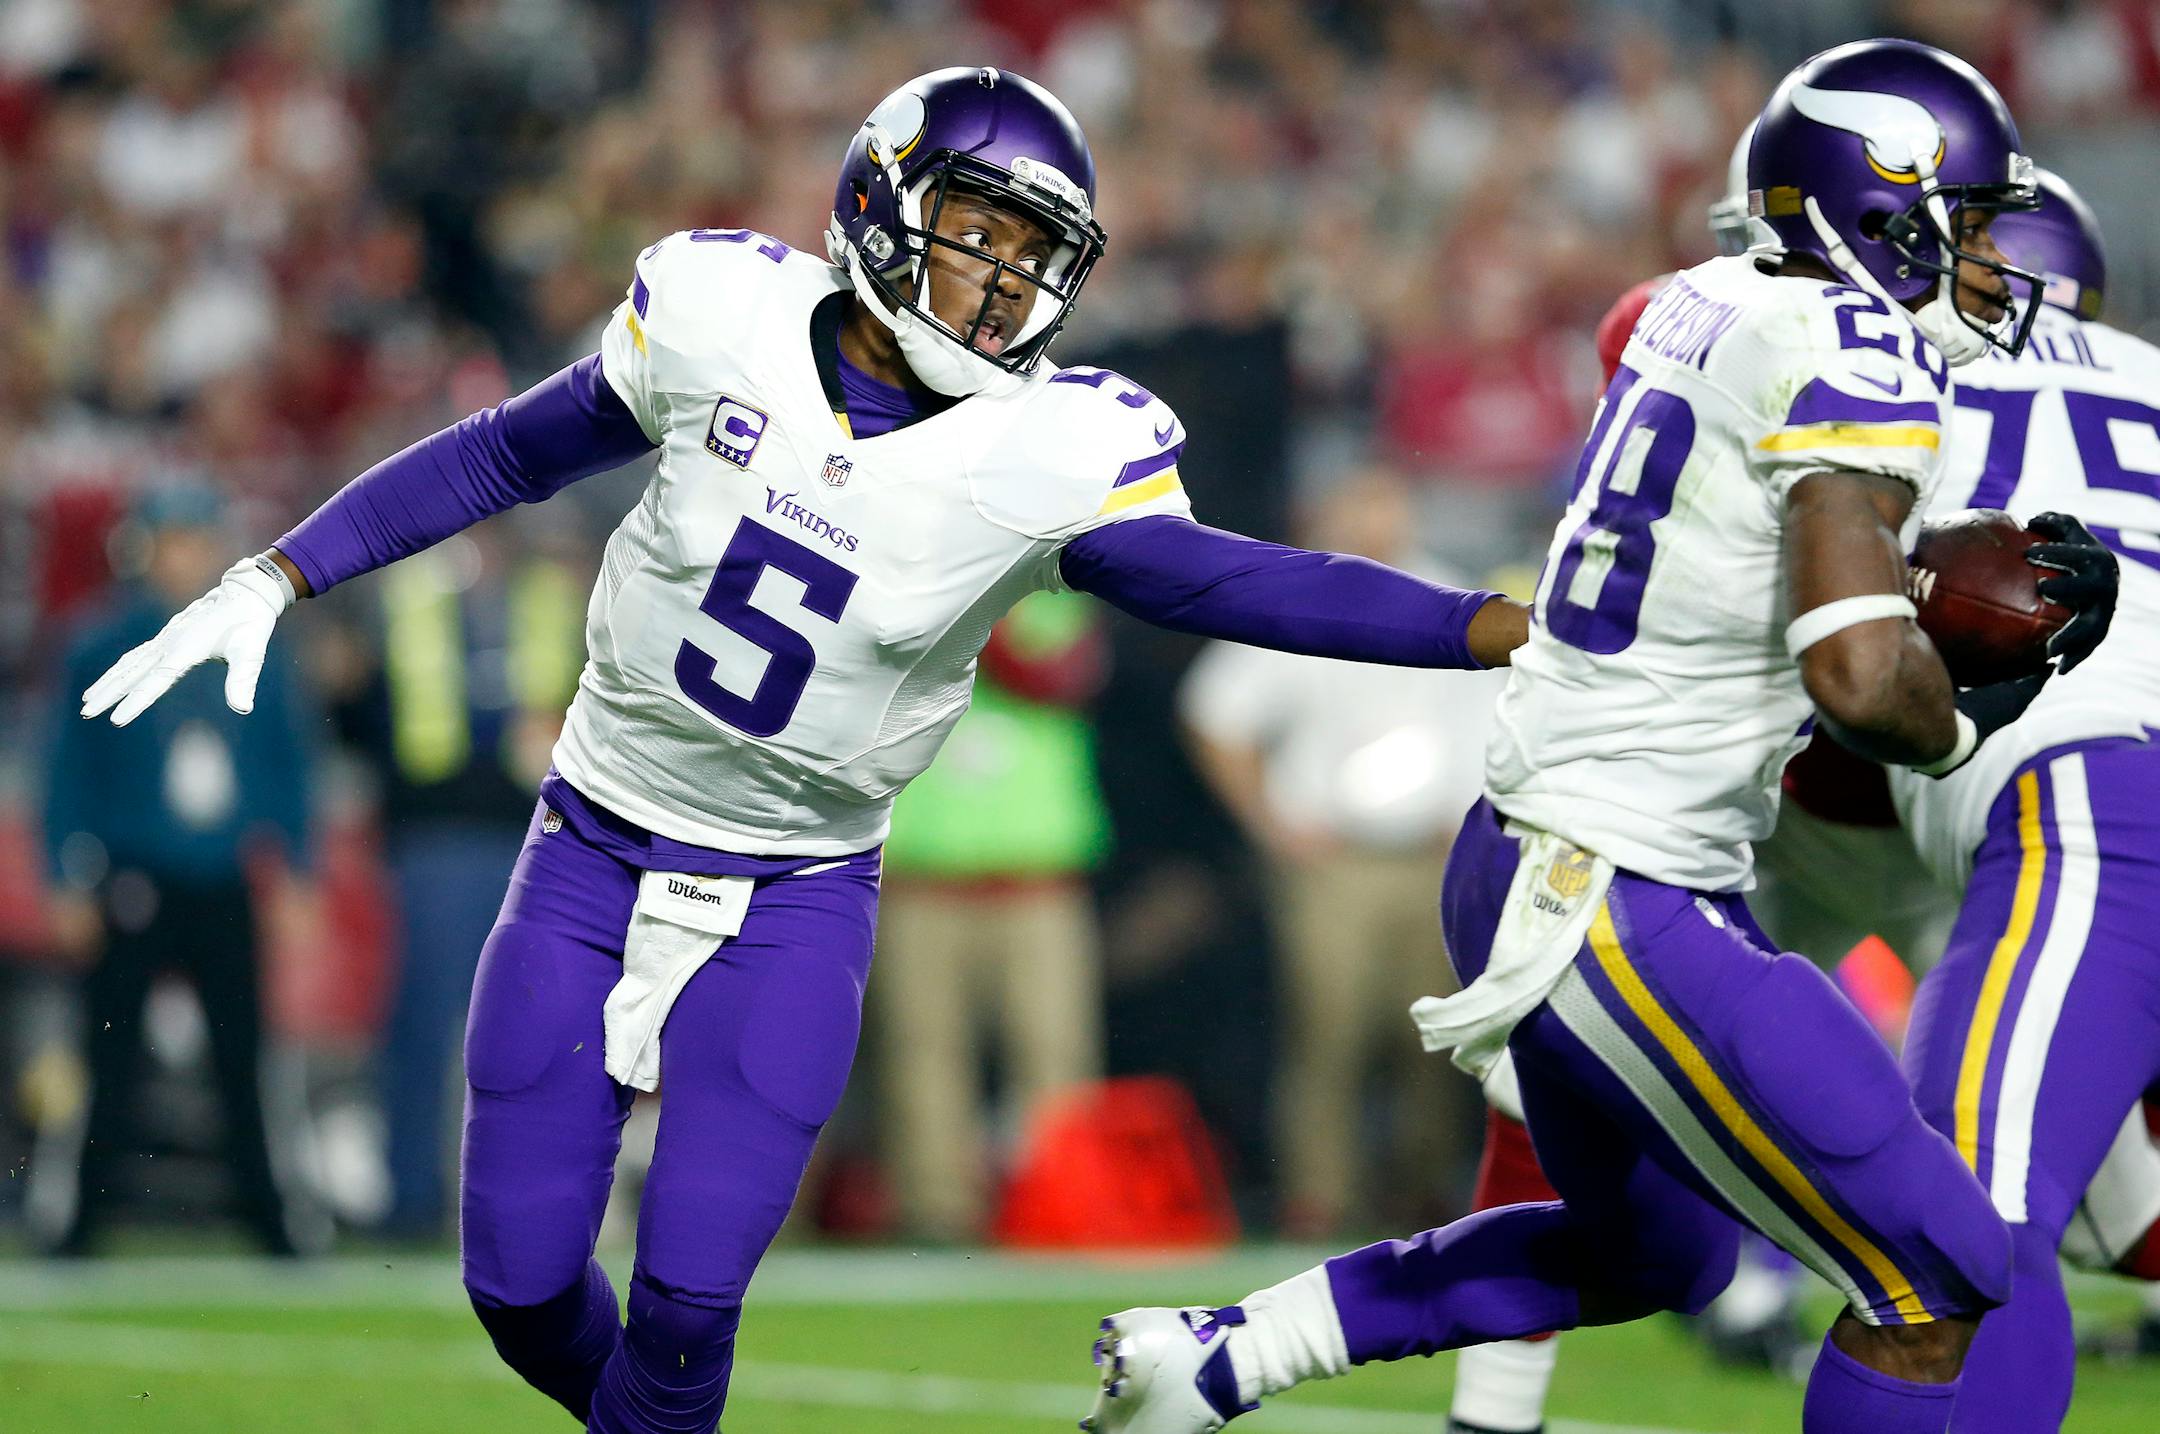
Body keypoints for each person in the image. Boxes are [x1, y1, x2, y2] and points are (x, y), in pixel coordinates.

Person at [77, 67, 1529, 1434]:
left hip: (794, 891)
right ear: (881, 207)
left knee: (689, 1302)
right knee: (519, 1289)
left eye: (1039, 254)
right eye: (979, 234)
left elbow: (1243, 582)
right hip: (592, 842)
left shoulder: (1049, 450)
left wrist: (1481, 625)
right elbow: (502, 454)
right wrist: (282, 573)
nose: (1010, 280)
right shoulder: (724, 314)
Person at [1081, 40, 2117, 1434]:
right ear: (1878, 208)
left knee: (1657, 1253)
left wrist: (1922, 567)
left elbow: (1760, 545)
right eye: (1967, 219)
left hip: (1532, 847)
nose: (1986, 259)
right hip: (1619, 889)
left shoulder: (1696, 301)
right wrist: (1970, 703)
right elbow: (1862, 675)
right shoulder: (1855, 351)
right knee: (1941, 1272)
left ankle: (1223, 1357)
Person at [1885, 167, 2160, 1433]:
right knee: (2117, 1215)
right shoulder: (2145, 370)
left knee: (1967, 1229)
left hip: (2101, 800)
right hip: (2110, 809)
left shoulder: (1878, 364)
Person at [1181, 467, 1502, 1237]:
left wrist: (1477, 818)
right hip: (1335, 861)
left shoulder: (1456, 599)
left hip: (1433, 857)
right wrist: (1271, 824)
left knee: (1435, 1034)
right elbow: (1215, 716)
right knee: (1328, 1034)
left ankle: (1421, 1194)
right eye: (1356, 503)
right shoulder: (1306, 597)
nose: (1371, 519)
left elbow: (1503, 724)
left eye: (1383, 500)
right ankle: (1318, 1199)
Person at [34, 483, 324, 1257]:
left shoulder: (252, 637)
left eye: (196, 541)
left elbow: (287, 762)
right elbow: (65, 768)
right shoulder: (98, 641)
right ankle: (78, 1222)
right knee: (109, 1052)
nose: (184, 558)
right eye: (172, 543)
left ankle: (272, 1218)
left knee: (243, 1054)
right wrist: (66, 874)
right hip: (134, 874)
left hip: (223, 874)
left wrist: (295, 865)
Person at [874, 588, 1114, 1240]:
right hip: (924, 877)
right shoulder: (900, 592)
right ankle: (937, 1213)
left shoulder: (1054, 598)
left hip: (1035, 882)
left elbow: (1053, 677)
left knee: (1053, 1051)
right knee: (923, 1053)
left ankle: (1058, 1203)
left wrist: (981, 598)